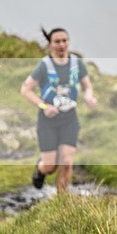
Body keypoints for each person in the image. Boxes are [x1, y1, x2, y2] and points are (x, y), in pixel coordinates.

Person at [20, 27, 97, 192]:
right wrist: (44, 106)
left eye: (64, 41)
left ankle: (62, 201)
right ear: (50, 44)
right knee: (50, 166)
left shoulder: (76, 63)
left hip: (69, 118)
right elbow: (25, 90)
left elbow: (87, 85)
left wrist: (89, 96)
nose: (62, 45)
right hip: (47, 121)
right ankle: (41, 169)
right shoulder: (44, 66)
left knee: (67, 162)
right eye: (57, 41)